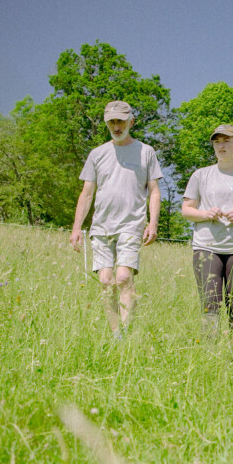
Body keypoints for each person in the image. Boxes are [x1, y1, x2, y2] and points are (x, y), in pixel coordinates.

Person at [70, 100, 163, 340]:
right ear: (106, 124)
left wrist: (152, 223)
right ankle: (116, 334)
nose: (116, 126)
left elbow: (154, 191)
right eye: (112, 122)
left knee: (123, 277)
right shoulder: (97, 154)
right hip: (101, 226)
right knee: (105, 280)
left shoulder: (146, 152)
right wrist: (77, 227)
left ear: (131, 121)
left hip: (131, 225)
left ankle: (126, 334)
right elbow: (87, 192)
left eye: (121, 121)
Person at [181, 124, 233, 351]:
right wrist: (204, 214)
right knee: (210, 302)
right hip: (206, 246)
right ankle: (207, 354)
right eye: (217, 141)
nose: (221, 146)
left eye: (227, 141)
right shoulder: (201, 175)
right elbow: (186, 209)